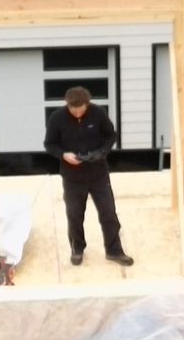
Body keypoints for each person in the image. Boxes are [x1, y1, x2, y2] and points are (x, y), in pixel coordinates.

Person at [44, 86, 132, 267]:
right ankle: (77, 249)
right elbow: (50, 144)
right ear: (67, 105)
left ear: (87, 104)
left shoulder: (98, 113)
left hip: (98, 174)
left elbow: (110, 136)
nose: (77, 113)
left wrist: (100, 152)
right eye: (73, 110)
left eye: (81, 109)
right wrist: (64, 155)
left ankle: (114, 251)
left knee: (108, 213)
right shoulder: (57, 118)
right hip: (72, 177)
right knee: (75, 215)